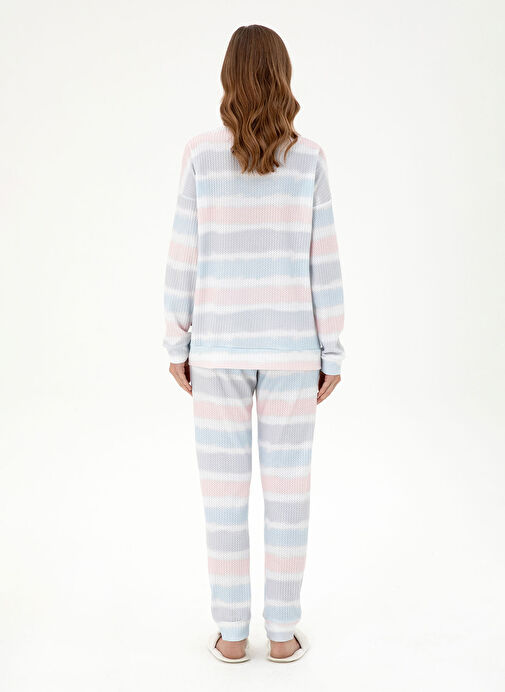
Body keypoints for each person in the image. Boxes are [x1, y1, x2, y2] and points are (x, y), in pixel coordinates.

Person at [163, 24, 344, 663]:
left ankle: (233, 635)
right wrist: (331, 349)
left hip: (216, 350)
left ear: (228, 78)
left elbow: (183, 253)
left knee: (224, 497)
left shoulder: (200, 155)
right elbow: (325, 262)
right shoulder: (309, 160)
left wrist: (177, 340)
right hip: (294, 351)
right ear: (283, 77)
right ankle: (284, 634)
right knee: (289, 495)